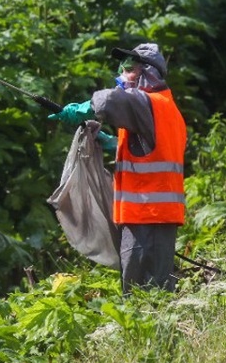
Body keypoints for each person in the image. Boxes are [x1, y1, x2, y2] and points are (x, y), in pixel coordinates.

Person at [49, 42, 187, 293]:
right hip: (152, 219)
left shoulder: (148, 102)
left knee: (143, 299)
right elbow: (150, 152)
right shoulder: (164, 108)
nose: (123, 74)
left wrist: (85, 107)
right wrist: (110, 143)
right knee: (149, 296)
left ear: (148, 72)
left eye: (129, 68)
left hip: (148, 218)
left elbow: (110, 101)